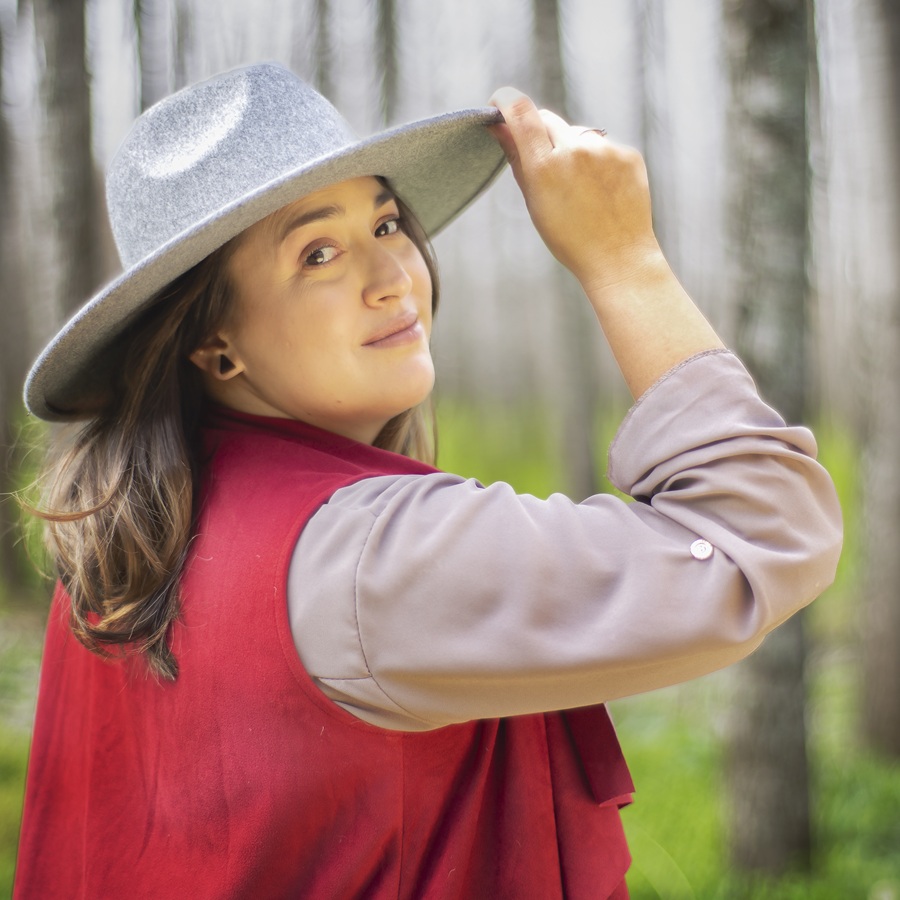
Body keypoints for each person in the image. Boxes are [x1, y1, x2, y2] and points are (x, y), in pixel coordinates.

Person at [14, 62, 841, 899]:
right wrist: (625, 261)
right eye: (318, 253)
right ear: (213, 343)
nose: (392, 278)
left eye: (384, 224)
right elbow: (761, 535)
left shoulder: (130, 540)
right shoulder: (372, 555)